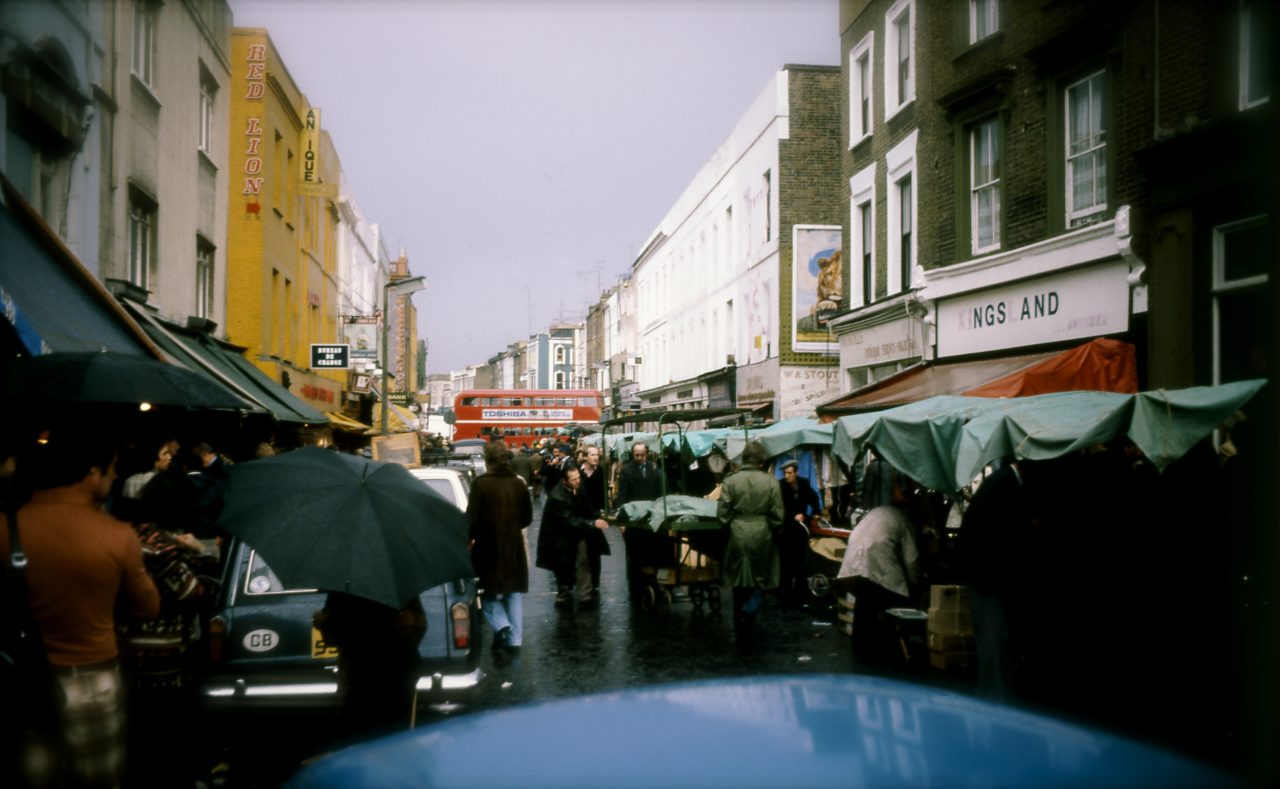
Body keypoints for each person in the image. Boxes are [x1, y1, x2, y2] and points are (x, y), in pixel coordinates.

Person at [1, 431, 160, 787]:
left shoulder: (7, 528)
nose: (116, 476)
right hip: (92, 678)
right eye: (112, 468)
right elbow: (148, 608)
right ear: (92, 473)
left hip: (22, 681)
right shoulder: (116, 536)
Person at [315, 592, 427, 744]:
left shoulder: (346, 587)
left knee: (359, 736)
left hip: (360, 672)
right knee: (396, 734)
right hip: (400, 667)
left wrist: (320, 621)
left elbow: (333, 635)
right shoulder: (397, 582)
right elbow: (420, 624)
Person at [837, 471, 921, 666]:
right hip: (875, 565)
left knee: (865, 603)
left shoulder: (877, 512)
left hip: (853, 565)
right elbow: (912, 560)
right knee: (891, 602)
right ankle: (888, 651)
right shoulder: (904, 520)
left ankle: (861, 650)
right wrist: (915, 583)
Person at [467, 441, 533, 656]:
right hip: (513, 545)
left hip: (488, 546)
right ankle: (515, 640)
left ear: (487, 461)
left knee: (486, 593)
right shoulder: (518, 483)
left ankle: (501, 624)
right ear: (506, 459)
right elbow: (527, 518)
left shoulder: (480, 484)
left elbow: (472, 521)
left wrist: (470, 537)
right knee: (513, 593)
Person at [717, 441, 784, 646]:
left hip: (738, 533)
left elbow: (722, 514)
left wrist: (732, 524)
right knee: (762, 579)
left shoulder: (730, 481)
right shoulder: (772, 482)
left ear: (744, 458)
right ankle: (751, 610)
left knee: (739, 583)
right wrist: (770, 526)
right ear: (762, 460)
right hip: (762, 533)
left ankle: (740, 629)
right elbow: (778, 516)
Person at [535, 466, 609, 608]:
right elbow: (569, 519)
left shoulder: (578, 486)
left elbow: (587, 507)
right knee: (562, 564)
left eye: (578, 477)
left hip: (577, 530)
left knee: (584, 558)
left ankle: (583, 595)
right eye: (573, 479)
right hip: (558, 534)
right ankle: (564, 592)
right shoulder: (557, 496)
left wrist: (599, 517)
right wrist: (593, 522)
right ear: (564, 481)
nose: (577, 481)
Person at [778, 460, 821, 602]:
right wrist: (792, 515)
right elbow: (779, 507)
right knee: (786, 558)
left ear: (796, 473)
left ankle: (801, 586)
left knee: (801, 557)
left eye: (789, 473)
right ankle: (785, 587)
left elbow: (813, 497)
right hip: (787, 527)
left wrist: (816, 513)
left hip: (801, 526)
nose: (787, 476)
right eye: (785, 473)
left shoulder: (804, 483)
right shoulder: (781, 486)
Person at [576, 445, 610, 601]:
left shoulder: (601, 471)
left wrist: (603, 511)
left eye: (597, 455)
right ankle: (582, 583)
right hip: (580, 516)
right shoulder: (578, 471)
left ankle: (595, 583)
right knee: (580, 551)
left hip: (596, 515)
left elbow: (604, 493)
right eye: (592, 455)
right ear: (584, 457)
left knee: (595, 551)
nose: (596, 457)